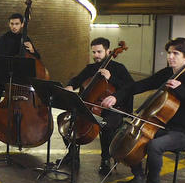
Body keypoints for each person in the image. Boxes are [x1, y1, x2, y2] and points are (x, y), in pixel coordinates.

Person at [101, 37, 185, 183]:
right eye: (169, 53)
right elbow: (137, 86)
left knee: (155, 145)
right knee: (134, 138)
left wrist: (180, 90)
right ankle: (139, 178)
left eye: (176, 53)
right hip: (164, 125)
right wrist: (115, 97)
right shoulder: (167, 73)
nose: (170, 57)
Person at [57, 37, 133, 174]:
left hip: (112, 109)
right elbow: (77, 79)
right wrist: (70, 85)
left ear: (108, 51)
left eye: (99, 52)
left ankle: (105, 159)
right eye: (93, 52)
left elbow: (130, 87)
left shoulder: (119, 68)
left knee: (106, 124)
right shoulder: (91, 68)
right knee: (64, 119)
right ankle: (72, 155)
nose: (96, 55)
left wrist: (111, 78)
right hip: (91, 106)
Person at [0, 13, 40, 153]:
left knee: (20, 108)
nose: (14, 27)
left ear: (22, 25)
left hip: (19, 81)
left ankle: (19, 137)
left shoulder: (26, 38)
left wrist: (33, 50)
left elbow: (36, 59)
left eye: (17, 24)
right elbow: (2, 57)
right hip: (2, 78)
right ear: (9, 24)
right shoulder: (3, 39)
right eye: (12, 24)